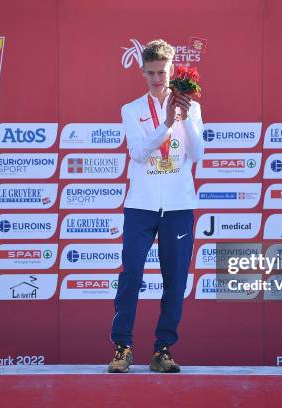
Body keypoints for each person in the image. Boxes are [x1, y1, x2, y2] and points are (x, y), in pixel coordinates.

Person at [108, 39, 204, 373]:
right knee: (131, 275)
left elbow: (197, 155)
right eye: (149, 73)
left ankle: (163, 350)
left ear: (172, 70)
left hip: (178, 206)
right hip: (141, 206)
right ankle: (123, 348)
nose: (156, 79)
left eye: (161, 72)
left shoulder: (189, 106)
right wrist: (165, 123)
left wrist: (186, 120)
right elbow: (137, 153)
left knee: (175, 279)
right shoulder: (131, 110)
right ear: (142, 72)